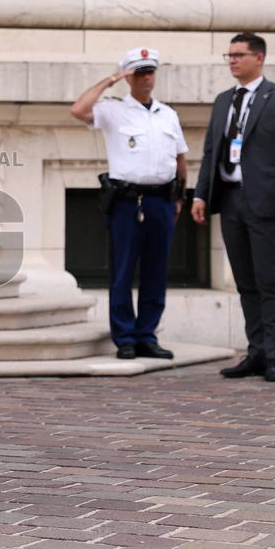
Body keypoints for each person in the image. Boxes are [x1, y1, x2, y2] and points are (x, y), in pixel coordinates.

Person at [192, 32, 275, 383]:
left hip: (269, 202)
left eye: (239, 55)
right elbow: (212, 152)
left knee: (268, 280)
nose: (232, 60)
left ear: (259, 58)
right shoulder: (222, 100)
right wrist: (199, 194)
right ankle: (255, 351)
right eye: (229, 55)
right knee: (245, 282)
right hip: (230, 200)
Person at [70, 47, 187, 361]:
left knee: (155, 271)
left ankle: (147, 335)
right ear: (128, 77)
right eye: (139, 73)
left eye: (150, 72)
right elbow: (78, 110)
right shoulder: (112, 110)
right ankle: (124, 337)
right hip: (127, 202)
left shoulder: (168, 114)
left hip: (162, 199)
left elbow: (180, 157)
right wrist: (109, 80)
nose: (147, 78)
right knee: (122, 271)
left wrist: (180, 196)